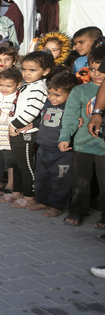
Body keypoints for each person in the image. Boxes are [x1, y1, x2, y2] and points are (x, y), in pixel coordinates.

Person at [59, 45, 105, 227]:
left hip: (103, 148)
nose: (97, 73)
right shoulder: (79, 91)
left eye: (101, 69)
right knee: (80, 184)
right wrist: (65, 137)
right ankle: (76, 211)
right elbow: (70, 116)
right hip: (82, 145)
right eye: (93, 69)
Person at [0, 51, 51, 208]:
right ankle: (17, 192)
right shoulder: (28, 85)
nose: (27, 73)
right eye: (25, 69)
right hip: (16, 131)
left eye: (32, 70)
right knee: (16, 163)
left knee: (26, 165)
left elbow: (32, 111)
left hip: (26, 133)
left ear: (46, 71)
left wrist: (13, 125)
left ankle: (30, 196)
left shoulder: (39, 87)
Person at [30, 72, 78, 214]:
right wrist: (33, 124)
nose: (52, 98)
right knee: (41, 177)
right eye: (50, 93)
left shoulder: (73, 108)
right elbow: (42, 120)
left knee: (60, 180)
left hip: (62, 152)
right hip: (43, 148)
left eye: (57, 95)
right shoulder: (47, 103)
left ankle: (56, 206)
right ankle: (43, 201)